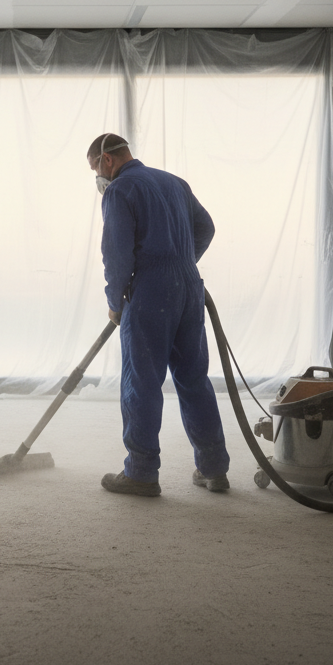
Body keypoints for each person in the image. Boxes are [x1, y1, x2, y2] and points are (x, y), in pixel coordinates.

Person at [87, 133, 230, 497]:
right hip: (189, 288)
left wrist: (115, 301)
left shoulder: (120, 190)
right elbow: (206, 227)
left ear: (107, 160)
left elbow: (117, 255)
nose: (98, 179)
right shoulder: (174, 182)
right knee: (194, 378)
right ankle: (214, 469)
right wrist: (181, 263)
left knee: (142, 382)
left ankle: (141, 472)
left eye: (95, 170)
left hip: (150, 291)